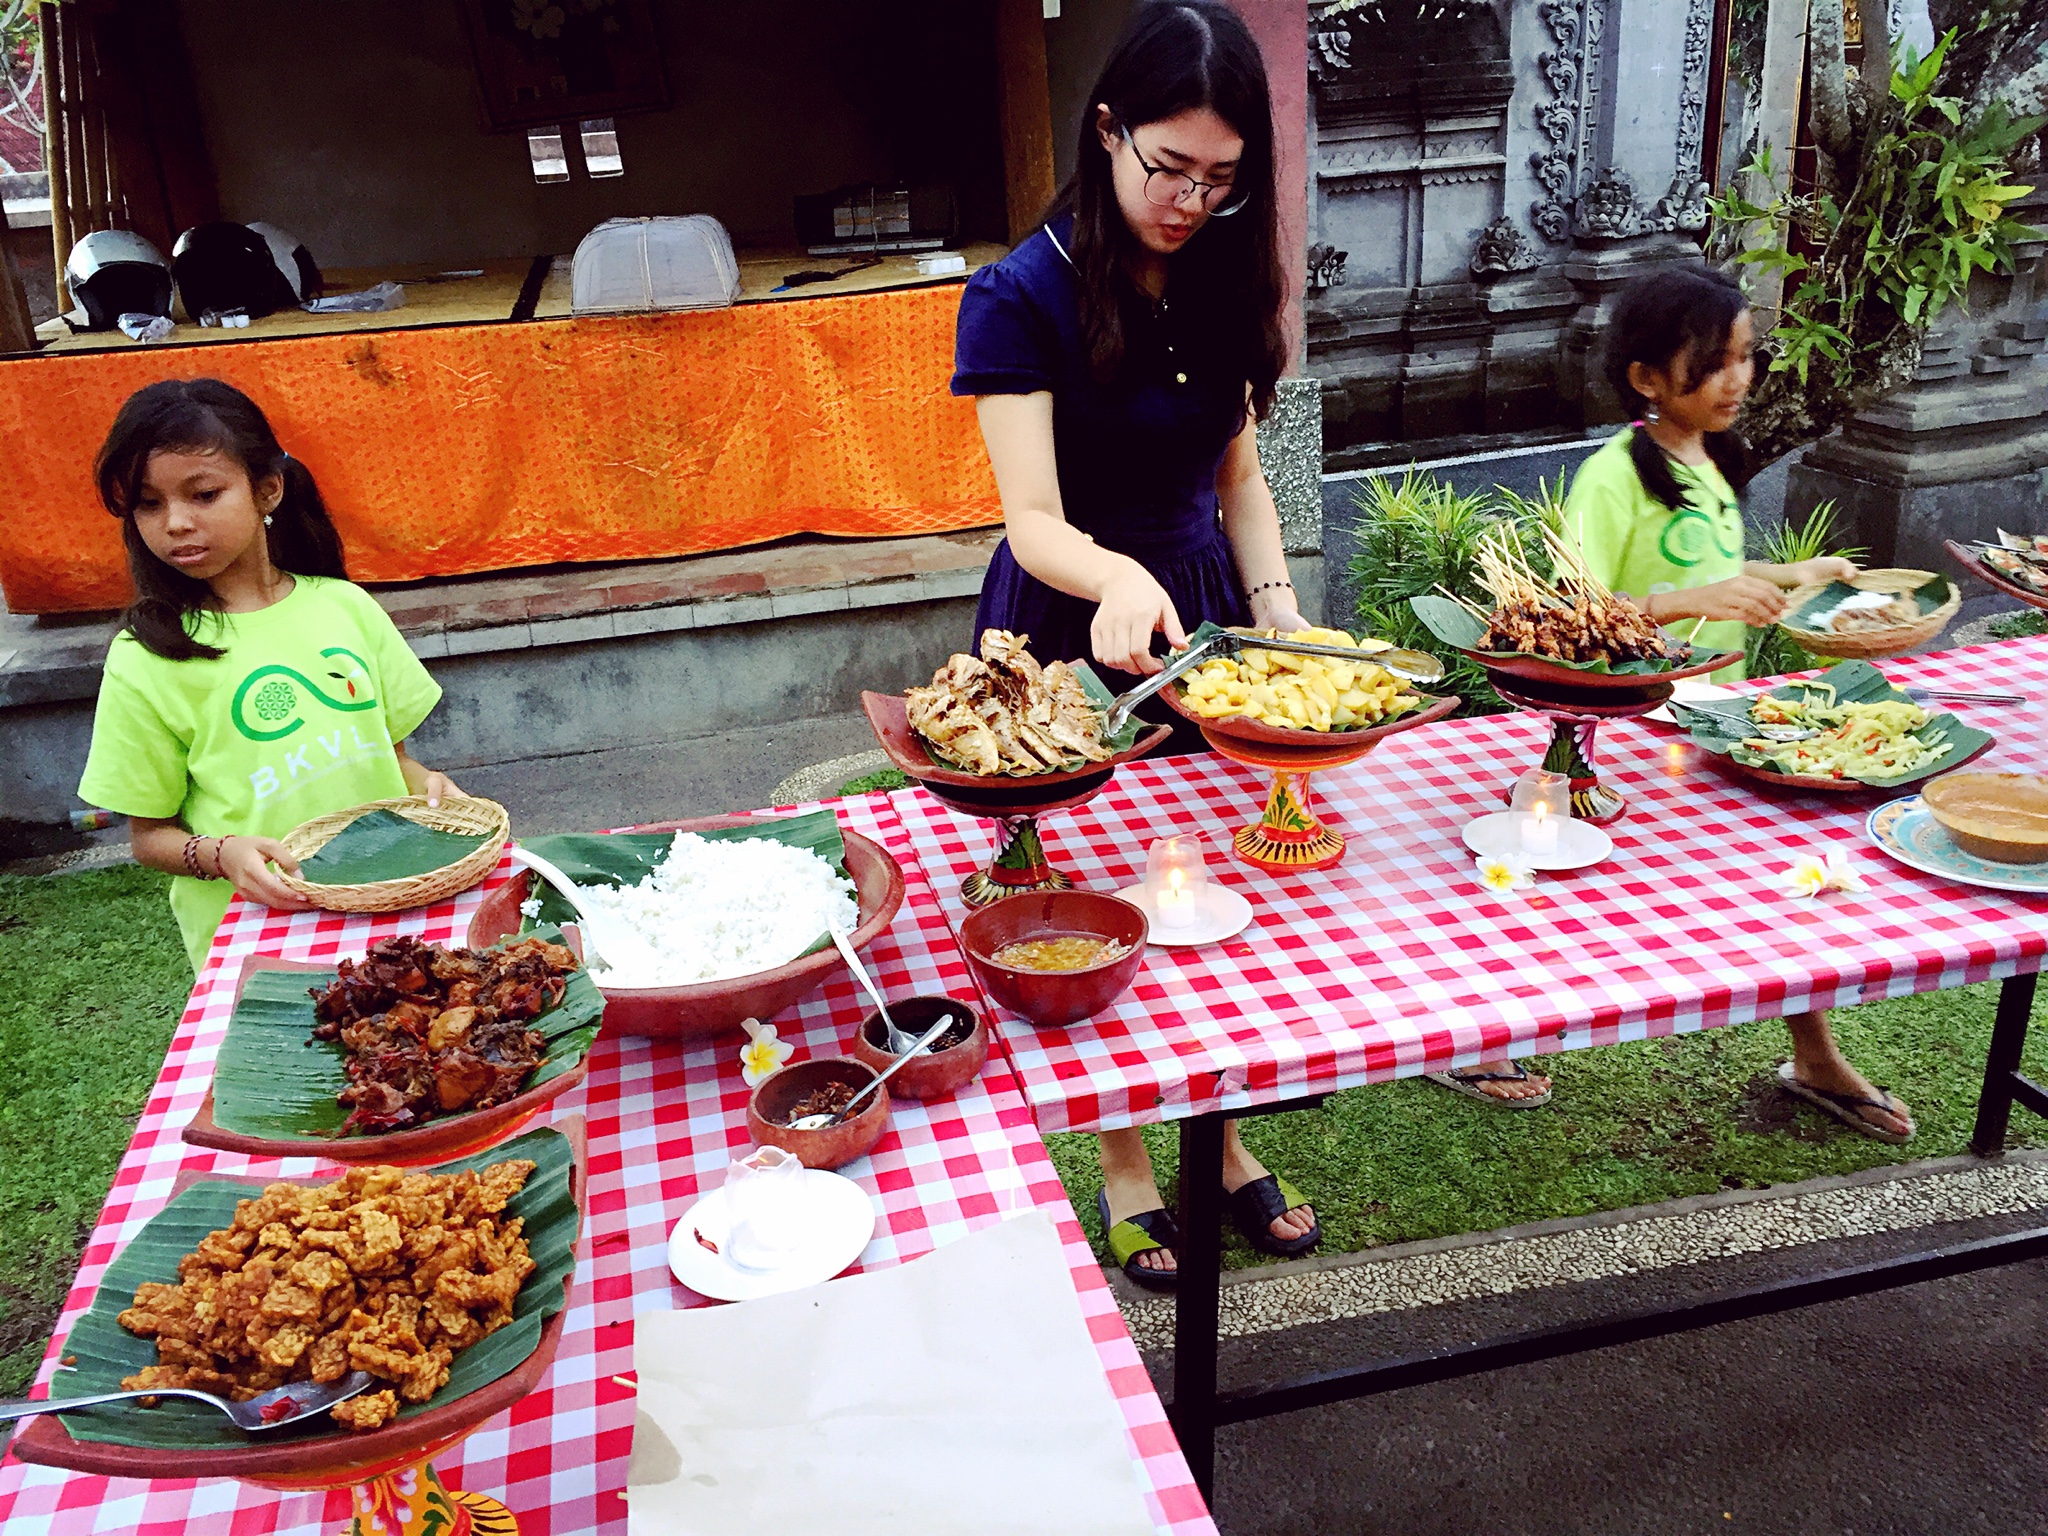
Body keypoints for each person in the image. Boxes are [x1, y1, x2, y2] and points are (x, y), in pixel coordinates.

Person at [951, 0, 1319, 1287]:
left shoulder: (1222, 271)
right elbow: (1033, 521)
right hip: (1063, 632)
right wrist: (1112, 576)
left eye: (1220, 180)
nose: (1188, 200)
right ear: (1106, 128)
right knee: (1097, 911)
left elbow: (1239, 480)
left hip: (1204, 615)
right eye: (1168, 167)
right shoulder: (1015, 296)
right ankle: (1121, 1160)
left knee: (1220, 895)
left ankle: (1215, 1141)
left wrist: (1279, 619)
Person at [1435, 266, 1912, 1143]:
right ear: (1647, 377)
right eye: (1714, 362)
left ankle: (1813, 1053)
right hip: (1623, 732)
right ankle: (1477, 1036)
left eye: (1745, 359)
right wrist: (1704, 602)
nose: (1738, 380)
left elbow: (1703, 569)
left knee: (1761, 889)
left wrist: (1789, 575)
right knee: (1572, 892)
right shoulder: (1616, 475)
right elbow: (1564, 607)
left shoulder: (1709, 457)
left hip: (1709, 726)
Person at [77, 378, 460, 974]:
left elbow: (391, 758)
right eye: (149, 504)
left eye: (203, 494)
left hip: (387, 901)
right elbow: (149, 835)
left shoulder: (345, 607)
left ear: (266, 489)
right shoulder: (146, 655)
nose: (175, 522)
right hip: (261, 943)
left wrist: (426, 783)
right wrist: (223, 853)